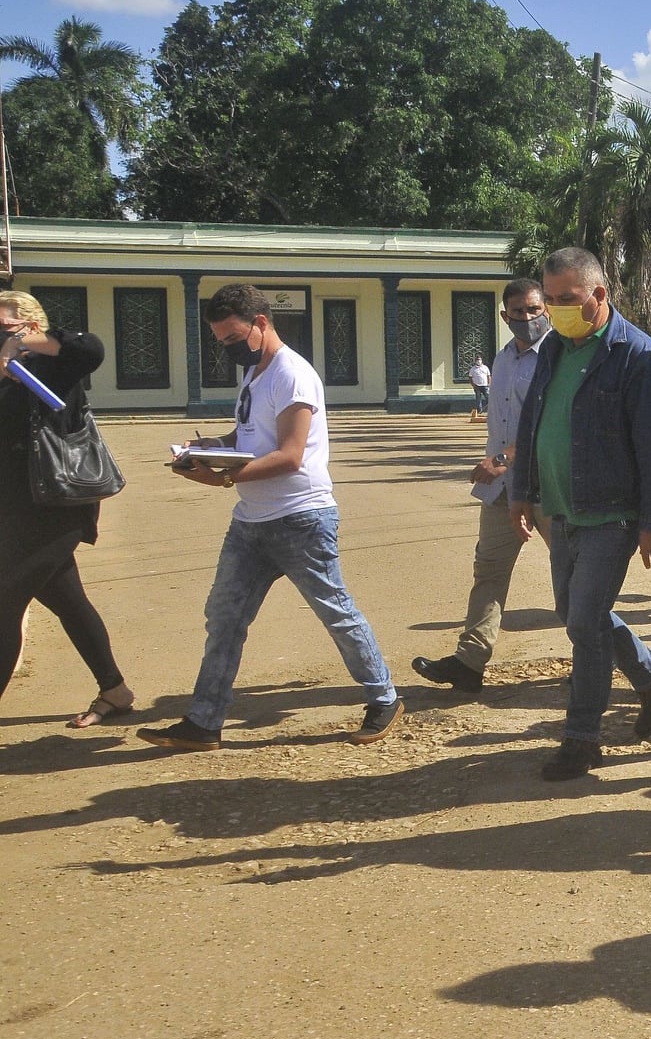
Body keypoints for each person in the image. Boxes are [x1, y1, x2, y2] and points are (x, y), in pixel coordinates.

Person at [139, 285, 403, 750]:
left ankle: (384, 697)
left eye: (233, 337)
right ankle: (205, 722)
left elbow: (290, 456)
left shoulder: (292, 375)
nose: (228, 347)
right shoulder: (255, 374)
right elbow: (250, 436)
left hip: (301, 518)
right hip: (252, 520)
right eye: (221, 340)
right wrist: (209, 449)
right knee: (224, 615)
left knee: (335, 612)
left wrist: (220, 479)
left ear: (261, 324)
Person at [510, 248, 651, 781]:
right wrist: (522, 491)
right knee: (575, 614)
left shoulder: (639, 356)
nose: (555, 311)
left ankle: (582, 738)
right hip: (559, 510)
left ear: (599, 295)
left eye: (567, 300)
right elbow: (531, 422)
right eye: (552, 300)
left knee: (584, 623)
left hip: (612, 513)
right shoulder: (553, 350)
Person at [0, 291, 133, 727]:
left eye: (3, 328)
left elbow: (90, 347)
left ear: (31, 328)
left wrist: (23, 347)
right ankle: (114, 689)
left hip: (54, 508)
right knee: (67, 599)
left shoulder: (53, 366)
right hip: (16, 510)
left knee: (6, 603)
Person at [413, 280, 553, 693]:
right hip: (502, 490)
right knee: (488, 570)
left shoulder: (559, 356)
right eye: (518, 311)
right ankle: (469, 662)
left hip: (547, 485)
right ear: (504, 315)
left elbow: (548, 424)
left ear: (545, 309)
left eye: (533, 309)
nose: (526, 318)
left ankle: (624, 665)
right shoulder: (504, 359)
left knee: (573, 579)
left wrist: (504, 459)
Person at [467, 353, 491, 422]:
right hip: (477, 386)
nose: (479, 361)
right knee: (478, 399)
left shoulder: (485, 367)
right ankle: (479, 412)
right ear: (475, 361)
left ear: (482, 360)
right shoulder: (473, 369)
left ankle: (490, 411)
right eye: (477, 359)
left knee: (488, 398)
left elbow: (488, 376)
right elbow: (470, 377)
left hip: (485, 385)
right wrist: (473, 385)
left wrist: (489, 384)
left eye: (479, 359)